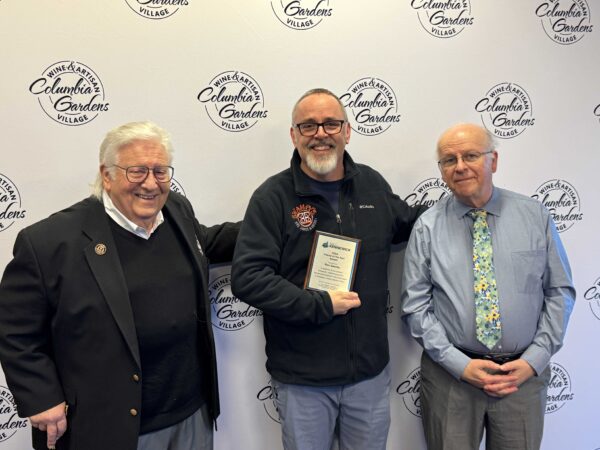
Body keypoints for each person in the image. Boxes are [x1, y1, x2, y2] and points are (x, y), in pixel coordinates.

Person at [0, 121, 239, 450]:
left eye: (160, 171)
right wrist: (40, 396)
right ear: (107, 175)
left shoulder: (176, 210)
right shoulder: (49, 242)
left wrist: (276, 228)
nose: (151, 183)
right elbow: (14, 331)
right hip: (112, 426)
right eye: (137, 171)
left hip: (191, 414)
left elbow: (206, 242)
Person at [231, 88, 426, 450]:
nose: (320, 134)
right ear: (294, 135)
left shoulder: (371, 184)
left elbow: (410, 224)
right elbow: (248, 277)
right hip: (303, 381)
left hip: (368, 376)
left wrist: (461, 207)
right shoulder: (272, 196)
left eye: (331, 124)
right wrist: (318, 304)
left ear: (347, 131)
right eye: (308, 126)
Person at [401, 123, 575, 450]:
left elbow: (559, 292)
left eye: (470, 155)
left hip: (521, 379)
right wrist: (459, 364)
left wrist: (534, 359)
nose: (460, 166)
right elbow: (415, 308)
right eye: (449, 160)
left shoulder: (535, 215)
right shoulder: (427, 227)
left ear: (493, 161)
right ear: (441, 171)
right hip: (450, 378)